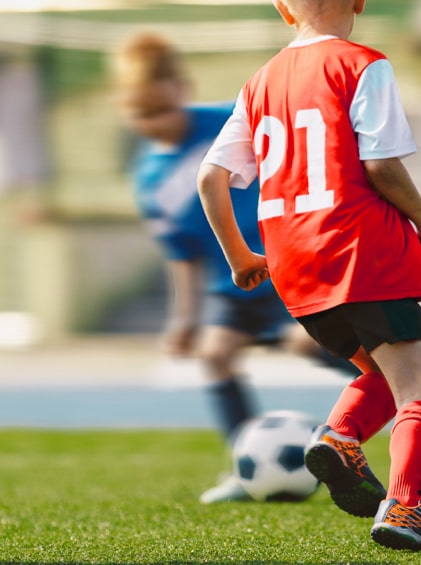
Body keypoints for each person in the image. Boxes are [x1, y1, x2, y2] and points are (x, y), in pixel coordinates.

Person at [199, 0, 421, 551]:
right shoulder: (362, 64)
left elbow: (212, 177)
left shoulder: (260, 82)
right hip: (360, 250)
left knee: (384, 378)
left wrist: (240, 258)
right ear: (359, 2)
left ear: (281, 8)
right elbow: (381, 164)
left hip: (295, 265)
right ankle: (406, 508)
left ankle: (340, 438)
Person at [110, 32, 362, 504]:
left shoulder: (234, 119)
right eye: (140, 114)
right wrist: (184, 319)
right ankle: (246, 465)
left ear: (181, 88)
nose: (153, 123)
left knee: (309, 346)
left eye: (161, 109)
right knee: (214, 355)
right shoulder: (150, 177)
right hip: (232, 283)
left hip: (291, 264)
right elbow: (182, 253)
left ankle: (396, 386)